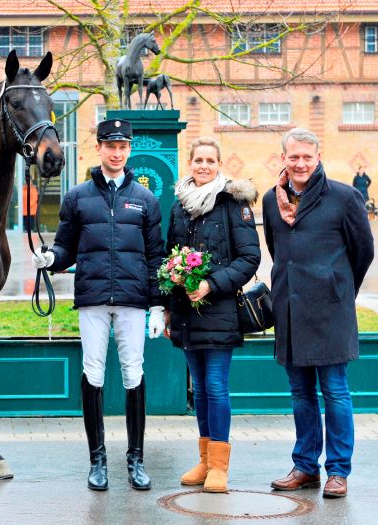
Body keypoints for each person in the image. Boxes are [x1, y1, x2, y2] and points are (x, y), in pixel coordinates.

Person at [32, 118, 165, 491]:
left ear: (129, 150)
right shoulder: (77, 197)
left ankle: (136, 459)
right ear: (100, 147)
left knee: (132, 373)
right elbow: (65, 246)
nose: (117, 152)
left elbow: (155, 255)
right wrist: (50, 259)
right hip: (91, 298)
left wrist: (158, 305)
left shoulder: (146, 199)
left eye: (123, 147)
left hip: (133, 299)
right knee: (93, 373)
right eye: (111, 146)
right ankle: (98, 460)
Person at [263, 128, 374, 499]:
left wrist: (338, 286)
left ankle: (338, 470)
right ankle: (305, 466)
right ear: (283, 159)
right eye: (294, 157)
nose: (300, 163)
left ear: (318, 157)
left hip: (330, 310)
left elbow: (364, 250)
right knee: (300, 393)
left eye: (307, 157)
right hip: (290, 310)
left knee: (336, 392)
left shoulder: (343, 197)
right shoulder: (270, 200)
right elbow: (279, 251)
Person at [161, 136, 260, 493]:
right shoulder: (179, 206)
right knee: (199, 389)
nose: (203, 166)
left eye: (210, 160)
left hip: (218, 310)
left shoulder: (233, 203)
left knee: (216, 386)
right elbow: (172, 256)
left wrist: (211, 285)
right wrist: (171, 308)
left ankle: (220, 466)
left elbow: (250, 258)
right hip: (186, 313)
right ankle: (204, 461)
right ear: (190, 164)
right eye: (198, 160)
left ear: (219, 165)